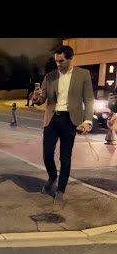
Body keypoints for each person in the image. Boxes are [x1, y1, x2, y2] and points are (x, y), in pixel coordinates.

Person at [32, 45, 94, 205]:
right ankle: (53, 176)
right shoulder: (50, 76)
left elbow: (88, 99)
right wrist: (35, 98)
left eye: (61, 61)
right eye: (56, 61)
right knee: (47, 155)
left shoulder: (83, 75)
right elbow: (42, 99)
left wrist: (87, 121)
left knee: (65, 158)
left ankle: (60, 190)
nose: (58, 64)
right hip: (52, 120)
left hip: (71, 121)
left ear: (71, 58)